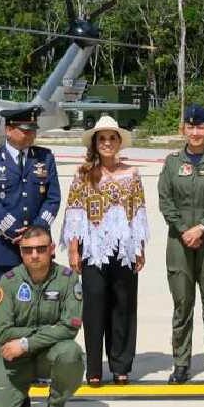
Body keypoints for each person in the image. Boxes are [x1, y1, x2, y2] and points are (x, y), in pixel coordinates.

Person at [63, 115, 148, 385]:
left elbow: (139, 213)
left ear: (119, 142)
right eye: (103, 138)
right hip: (93, 250)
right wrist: (74, 250)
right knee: (94, 307)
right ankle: (94, 368)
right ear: (95, 143)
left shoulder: (132, 174)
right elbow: (75, 212)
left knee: (123, 306)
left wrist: (139, 248)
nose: (108, 143)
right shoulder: (83, 174)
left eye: (112, 138)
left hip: (124, 249)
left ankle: (121, 365)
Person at [0, 226, 83, 407]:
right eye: (28, 250)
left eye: (41, 248)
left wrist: (26, 342)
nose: (35, 255)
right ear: (21, 252)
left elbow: (70, 327)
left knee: (71, 353)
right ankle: (19, 394)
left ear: (52, 248)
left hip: (48, 353)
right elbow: (3, 334)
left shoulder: (67, 279)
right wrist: (47, 331)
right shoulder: (8, 282)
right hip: (14, 357)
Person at [159, 104, 204, 385]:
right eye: (190, 127)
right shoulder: (172, 162)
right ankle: (181, 363)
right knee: (182, 304)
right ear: (183, 130)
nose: (195, 132)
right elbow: (165, 201)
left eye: (200, 127)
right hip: (179, 241)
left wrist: (201, 227)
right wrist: (183, 230)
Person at [0, 105, 61, 333]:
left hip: (37, 250)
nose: (30, 134)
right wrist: (14, 231)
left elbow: (53, 199)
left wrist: (36, 231)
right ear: (8, 130)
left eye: (33, 129)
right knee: (1, 308)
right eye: (25, 129)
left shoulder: (45, 158)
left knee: (39, 310)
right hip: (2, 250)